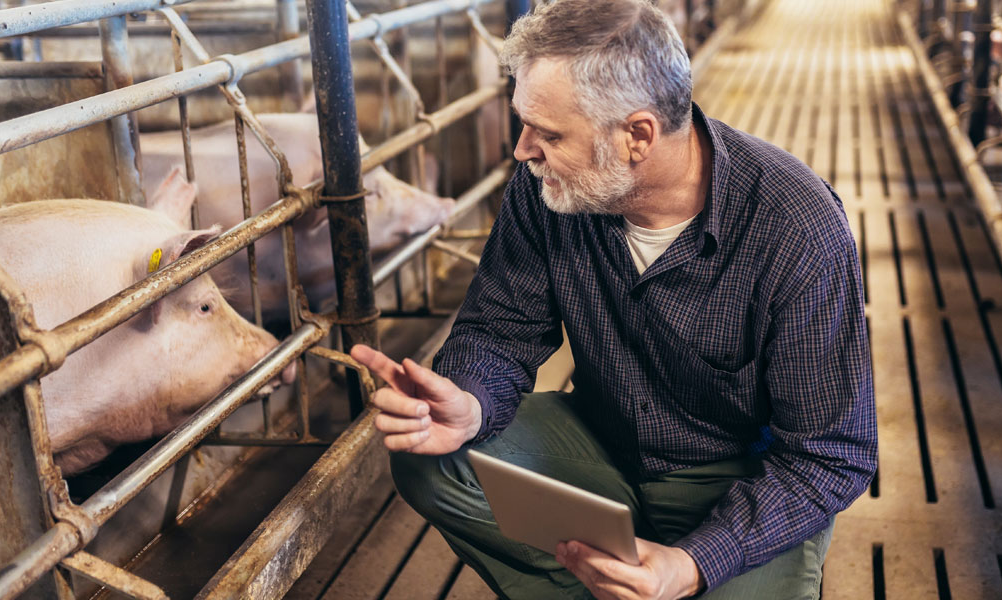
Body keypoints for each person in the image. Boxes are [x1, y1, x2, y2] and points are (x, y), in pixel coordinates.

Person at [350, 0, 877, 597]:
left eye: (547, 133)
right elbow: (500, 328)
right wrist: (469, 403)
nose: (523, 150)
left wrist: (692, 564)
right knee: (432, 458)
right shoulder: (549, 187)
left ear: (637, 136)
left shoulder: (795, 228)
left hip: (738, 482)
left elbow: (830, 456)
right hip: (605, 442)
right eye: (524, 123)